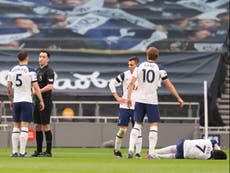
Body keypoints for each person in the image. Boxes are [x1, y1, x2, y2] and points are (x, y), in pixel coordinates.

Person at [126, 47, 184, 159]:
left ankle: (130, 149)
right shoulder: (160, 68)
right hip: (152, 100)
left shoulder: (139, 66)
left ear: (147, 55)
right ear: (157, 57)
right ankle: (151, 152)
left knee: (137, 124)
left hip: (139, 99)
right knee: (154, 125)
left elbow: (132, 83)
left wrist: (128, 98)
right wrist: (178, 98)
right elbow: (169, 85)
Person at [6, 50, 44, 157]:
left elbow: (8, 87)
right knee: (25, 127)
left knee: (15, 127)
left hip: (16, 101)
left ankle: (14, 152)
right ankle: (22, 152)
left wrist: (11, 99)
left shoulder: (12, 70)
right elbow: (36, 88)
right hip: (26, 100)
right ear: (27, 58)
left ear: (18, 59)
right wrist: (41, 100)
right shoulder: (31, 71)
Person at [109, 56, 142, 158]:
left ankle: (137, 153)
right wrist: (118, 97)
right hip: (124, 107)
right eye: (128, 65)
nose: (129, 66)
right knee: (123, 130)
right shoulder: (125, 75)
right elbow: (111, 83)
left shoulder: (141, 76)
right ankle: (117, 150)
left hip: (137, 106)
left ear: (137, 65)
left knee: (138, 130)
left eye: (131, 65)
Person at [31, 49, 55, 157]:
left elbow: (50, 86)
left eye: (43, 57)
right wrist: (33, 91)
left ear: (48, 59)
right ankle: (39, 150)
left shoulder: (49, 71)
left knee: (46, 125)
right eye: (40, 56)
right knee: (37, 126)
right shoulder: (36, 71)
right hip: (36, 101)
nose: (41, 58)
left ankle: (48, 151)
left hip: (45, 101)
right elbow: (34, 85)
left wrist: (38, 91)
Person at [153, 139, 227, 160]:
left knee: (174, 148)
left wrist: (219, 149)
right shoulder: (207, 157)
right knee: (173, 156)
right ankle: (157, 155)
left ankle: (155, 151)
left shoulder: (211, 143)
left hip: (185, 143)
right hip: (184, 154)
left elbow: (215, 142)